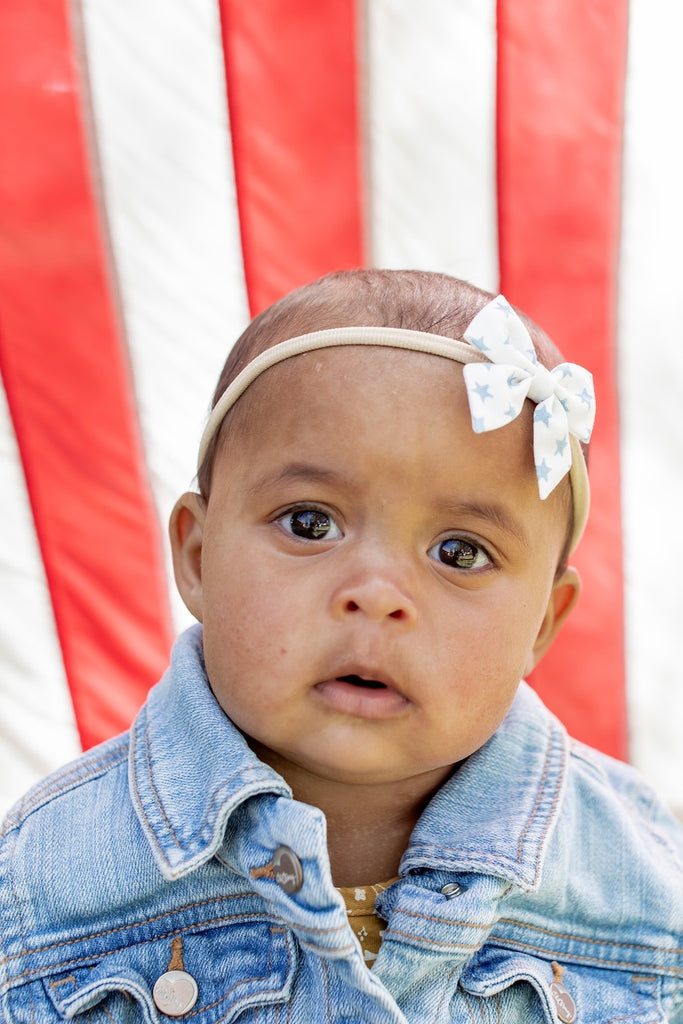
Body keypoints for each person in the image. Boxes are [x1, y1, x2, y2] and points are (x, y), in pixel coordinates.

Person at [1, 269, 681, 1024]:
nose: (377, 593)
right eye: (310, 523)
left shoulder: (645, 880)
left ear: (543, 625)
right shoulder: (40, 887)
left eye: (460, 553)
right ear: (197, 558)